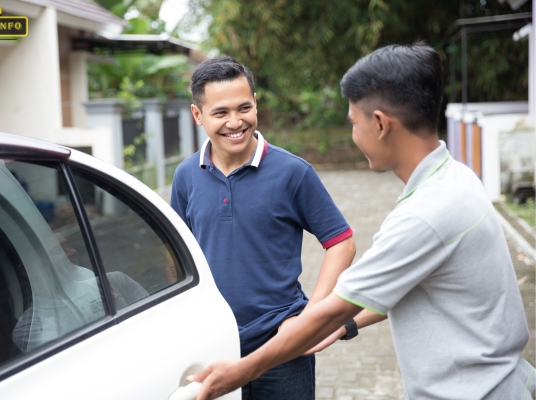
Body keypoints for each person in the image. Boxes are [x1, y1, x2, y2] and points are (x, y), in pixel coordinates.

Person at [189, 43, 536, 400]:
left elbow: (339, 303)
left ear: (381, 124)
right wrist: (344, 327)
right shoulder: (457, 180)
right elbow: (387, 290)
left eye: (353, 122)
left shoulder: (423, 216)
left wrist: (243, 371)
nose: (353, 135)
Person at [170, 56, 356, 399]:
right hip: (213, 344)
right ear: (198, 116)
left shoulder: (293, 172)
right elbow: (177, 253)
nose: (235, 122)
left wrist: (309, 319)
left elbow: (341, 242)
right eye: (220, 112)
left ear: (256, 102)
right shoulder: (185, 176)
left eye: (244, 107)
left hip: (283, 347)